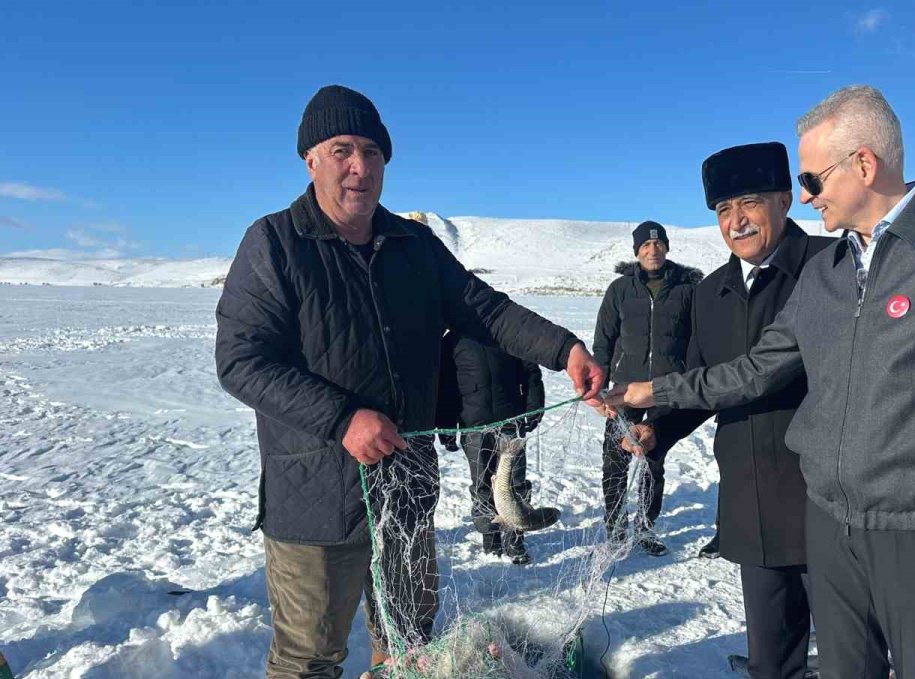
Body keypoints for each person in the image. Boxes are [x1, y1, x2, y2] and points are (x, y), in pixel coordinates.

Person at [604, 85, 915, 679]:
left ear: (863, 164)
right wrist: (652, 393)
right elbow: (756, 369)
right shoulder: (829, 271)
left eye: (812, 180)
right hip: (829, 521)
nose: (809, 196)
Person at [214, 84, 604, 679]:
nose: (360, 166)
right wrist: (342, 419)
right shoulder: (274, 243)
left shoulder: (413, 244)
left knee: (410, 648)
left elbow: (485, 310)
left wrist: (564, 349)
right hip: (316, 502)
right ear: (310, 159)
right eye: (342, 150)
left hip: (405, 492)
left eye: (372, 152)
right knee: (307, 660)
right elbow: (241, 360)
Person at [628, 142, 834, 679]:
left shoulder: (829, 267)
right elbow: (703, 378)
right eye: (723, 209)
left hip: (827, 499)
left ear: (784, 200)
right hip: (751, 497)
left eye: (750, 203)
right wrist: (658, 431)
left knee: (851, 655)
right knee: (771, 659)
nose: (736, 221)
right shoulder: (710, 292)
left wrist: (652, 392)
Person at [592, 220, 701, 555]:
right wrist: (600, 388)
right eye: (646, 245)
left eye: (658, 244)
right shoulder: (620, 290)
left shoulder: (687, 290)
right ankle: (615, 529)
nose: (653, 251)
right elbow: (604, 340)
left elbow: (696, 340)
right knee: (614, 460)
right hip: (624, 390)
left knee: (654, 460)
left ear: (666, 247)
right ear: (636, 251)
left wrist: (687, 380)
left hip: (665, 389)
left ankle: (646, 528)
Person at [435, 331, 546, 565]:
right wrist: (446, 427)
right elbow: (445, 387)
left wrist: (534, 405)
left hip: (510, 420)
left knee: (515, 483)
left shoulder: (507, 333)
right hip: (474, 426)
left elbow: (530, 371)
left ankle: (515, 536)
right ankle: (491, 536)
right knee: (483, 484)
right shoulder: (452, 342)